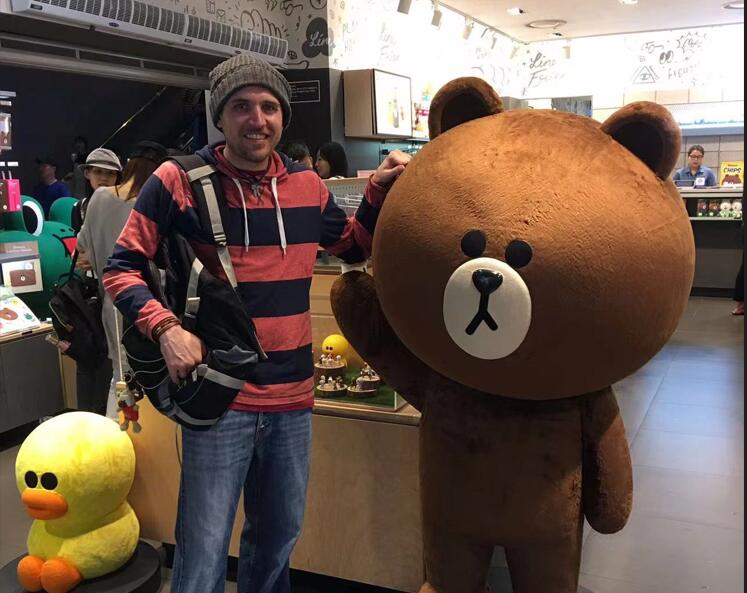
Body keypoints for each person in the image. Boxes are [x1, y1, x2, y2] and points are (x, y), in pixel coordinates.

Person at [103, 54, 410, 593]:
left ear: (283, 117)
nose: (257, 119)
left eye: (269, 107)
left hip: (292, 399)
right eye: (242, 106)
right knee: (203, 546)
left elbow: (353, 247)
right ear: (220, 116)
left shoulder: (308, 186)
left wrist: (378, 190)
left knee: (277, 538)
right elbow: (121, 267)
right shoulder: (178, 181)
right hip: (221, 394)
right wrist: (166, 329)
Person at [77, 141, 167, 418]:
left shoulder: (99, 198)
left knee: (120, 378)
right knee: (153, 376)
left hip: (111, 303)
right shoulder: (153, 204)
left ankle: (115, 438)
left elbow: (83, 246)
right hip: (149, 304)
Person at [56, 148, 123, 415]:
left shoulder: (122, 203)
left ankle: (103, 412)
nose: (103, 178)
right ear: (87, 174)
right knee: (86, 350)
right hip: (89, 288)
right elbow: (80, 249)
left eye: (110, 173)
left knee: (111, 354)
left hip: (114, 286)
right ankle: (87, 414)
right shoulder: (79, 207)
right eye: (98, 172)